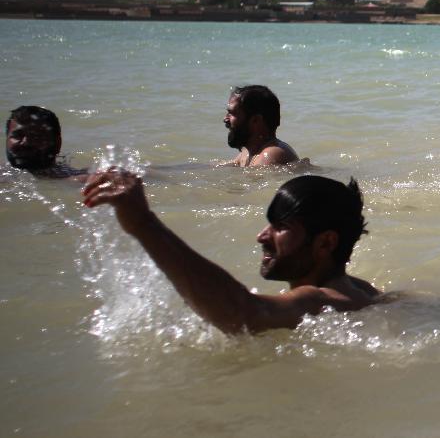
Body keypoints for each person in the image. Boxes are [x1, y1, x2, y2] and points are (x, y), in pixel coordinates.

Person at [82, 171, 380, 334]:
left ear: (325, 243)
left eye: (280, 226)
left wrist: (143, 223)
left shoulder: (316, 299)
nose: (261, 236)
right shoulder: (366, 294)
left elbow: (243, 314)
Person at [223, 85, 301, 166]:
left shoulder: (270, 155)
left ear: (256, 120)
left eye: (232, 113)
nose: (225, 119)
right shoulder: (247, 153)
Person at [5, 105, 86, 178]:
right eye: (17, 135)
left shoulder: (80, 180)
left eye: (36, 136)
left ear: (57, 143)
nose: (25, 142)